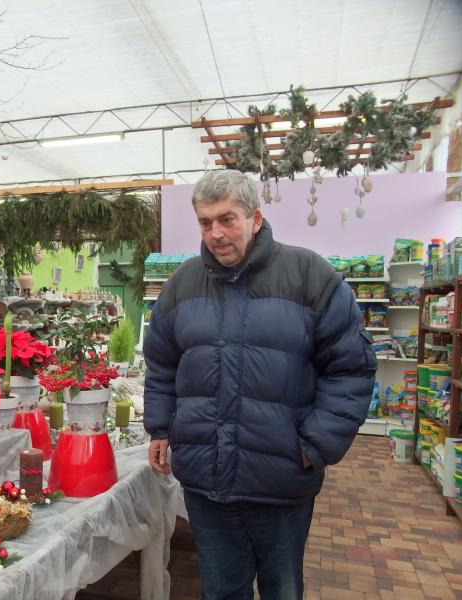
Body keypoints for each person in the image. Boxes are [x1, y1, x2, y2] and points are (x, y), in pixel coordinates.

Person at [143, 170, 377, 600]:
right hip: (207, 481)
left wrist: (314, 446)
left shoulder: (310, 276)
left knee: (282, 589)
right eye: (205, 222)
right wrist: (159, 426)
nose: (215, 233)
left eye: (226, 219)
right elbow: (161, 363)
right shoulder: (182, 285)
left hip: (281, 479)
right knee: (221, 590)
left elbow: (351, 370)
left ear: (255, 218)